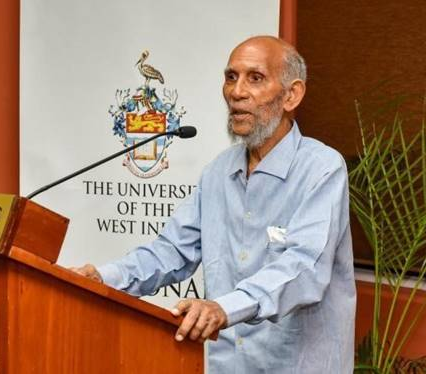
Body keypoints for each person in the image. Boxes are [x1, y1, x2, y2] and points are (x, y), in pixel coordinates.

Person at [73, 35, 356, 373]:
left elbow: (303, 269)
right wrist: (104, 276)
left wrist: (224, 308)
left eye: (255, 78)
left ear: (291, 95)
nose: (236, 92)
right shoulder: (218, 172)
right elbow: (172, 252)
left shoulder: (322, 168)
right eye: (230, 77)